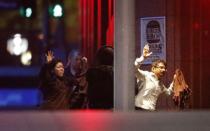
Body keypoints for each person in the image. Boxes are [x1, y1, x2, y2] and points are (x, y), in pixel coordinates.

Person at [134, 44, 174, 111]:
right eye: (161, 67)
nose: (164, 70)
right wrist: (142, 58)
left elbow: (168, 93)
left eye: (165, 68)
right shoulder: (146, 75)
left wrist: (174, 81)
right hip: (140, 109)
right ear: (153, 68)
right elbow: (133, 69)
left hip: (151, 111)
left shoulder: (160, 84)